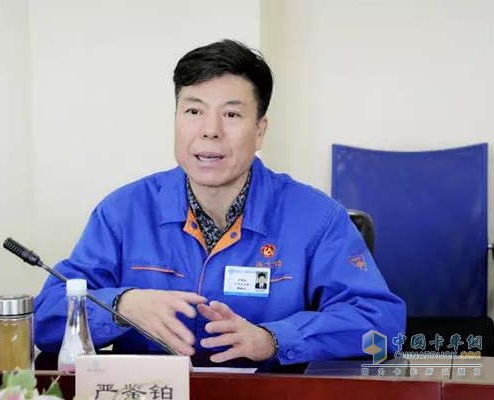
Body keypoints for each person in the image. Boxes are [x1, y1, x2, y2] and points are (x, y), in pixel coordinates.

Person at [34, 39, 406, 365]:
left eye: (231, 114)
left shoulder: (317, 218)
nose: (210, 130)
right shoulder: (123, 213)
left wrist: (274, 339)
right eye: (194, 111)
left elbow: (381, 323)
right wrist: (120, 306)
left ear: (260, 131)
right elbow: (46, 318)